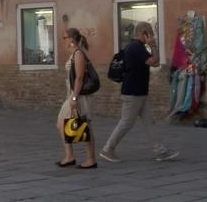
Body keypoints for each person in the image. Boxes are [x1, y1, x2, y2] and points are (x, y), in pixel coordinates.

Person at [100, 22, 180, 163]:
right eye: (150, 33)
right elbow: (155, 61)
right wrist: (153, 45)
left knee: (149, 122)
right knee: (126, 122)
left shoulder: (138, 47)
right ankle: (108, 149)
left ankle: (160, 151)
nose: (152, 36)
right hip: (133, 92)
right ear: (144, 33)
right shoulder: (136, 47)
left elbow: (154, 63)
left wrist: (151, 46)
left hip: (140, 92)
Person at [56, 28, 97, 169]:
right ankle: (71, 156)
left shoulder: (78, 54)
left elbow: (79, 78)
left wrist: (74, 98)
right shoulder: (75, 53)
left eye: (64, 37)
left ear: (71, 39)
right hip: (73, 94)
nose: (63, 40)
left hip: (79, 96)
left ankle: (87, 159)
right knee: (79, 125)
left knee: (78, 124)